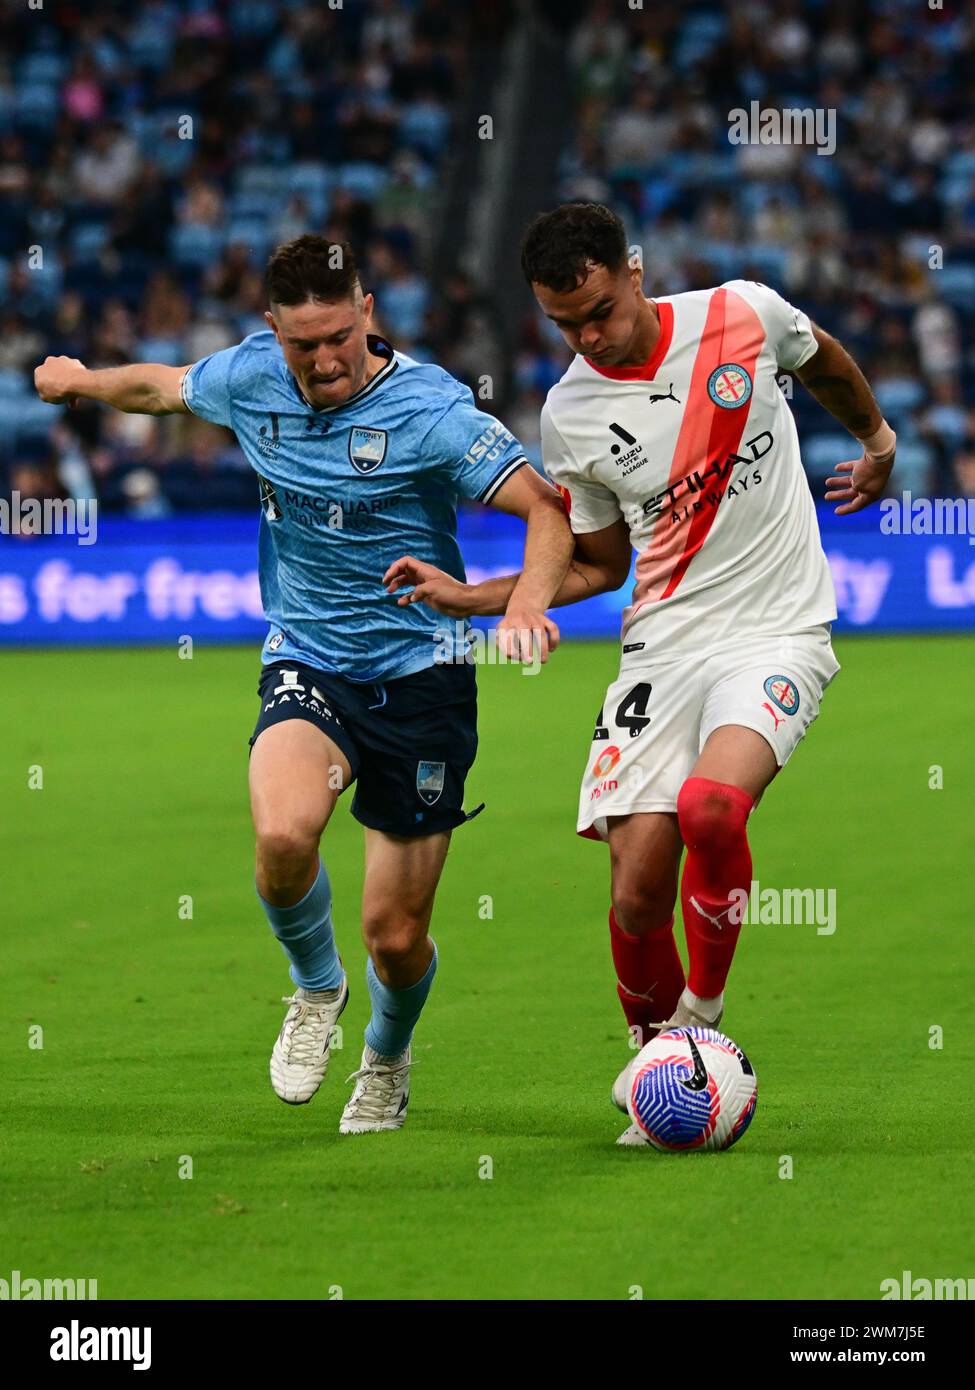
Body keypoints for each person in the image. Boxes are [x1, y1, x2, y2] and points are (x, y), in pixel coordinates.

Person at [34, 234, 573, 1134]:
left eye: (337, 336)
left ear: (365, 310)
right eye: (301, 344)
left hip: (424, 677)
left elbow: (542, 506)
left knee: (395, 940)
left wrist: (523, 606)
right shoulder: (251, 378)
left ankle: (387, 1059)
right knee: (284, 837)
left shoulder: (431, 409)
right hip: (309, 659)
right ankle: (315, 989)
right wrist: (81, 379)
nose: (323, 360)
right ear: (271, 331)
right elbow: (162, 388)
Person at [384, 202, 897, 1145]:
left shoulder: (742, 315)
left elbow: (822, 357)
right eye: (561, 323)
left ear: (631, 270)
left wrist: (875, 443)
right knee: (633, 891)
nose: (586, 337)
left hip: (777, 631)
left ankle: (697, 1033)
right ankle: (655, 1058)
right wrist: (477, 599)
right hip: (660, 647)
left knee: (712, 809)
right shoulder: (571, 411)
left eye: (596, 312)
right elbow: (599, 563)